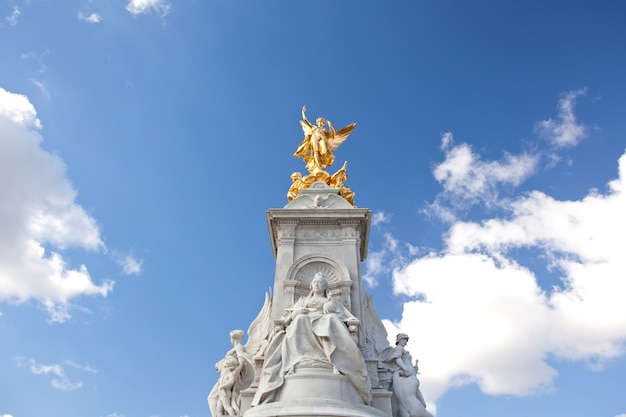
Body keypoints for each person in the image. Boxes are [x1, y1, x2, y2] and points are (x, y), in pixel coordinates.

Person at [251, 272, 371, 405]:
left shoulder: (331, 301)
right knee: (300, 319)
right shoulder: (303, 301)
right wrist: (296, 313)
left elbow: (346, 316)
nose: (316, 284)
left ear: (325, 286)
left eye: (319, 282)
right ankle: (295, 360)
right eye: (314, 282)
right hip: (305, 321)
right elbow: (287, 317)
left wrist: (331, 311)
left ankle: (335, 361)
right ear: (310, 286)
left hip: (325, 322)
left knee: (331, 319)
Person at [382, 334, 433, 417]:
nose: (405, 342)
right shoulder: (399, 348)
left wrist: (414, 369)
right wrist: (405, 369)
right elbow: (397, 358)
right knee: (407, 400)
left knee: (405, 401)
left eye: (406, 340)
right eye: (404, 340)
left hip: (409, 375)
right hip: (407, 376)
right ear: (399, 340)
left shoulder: (402, 349)